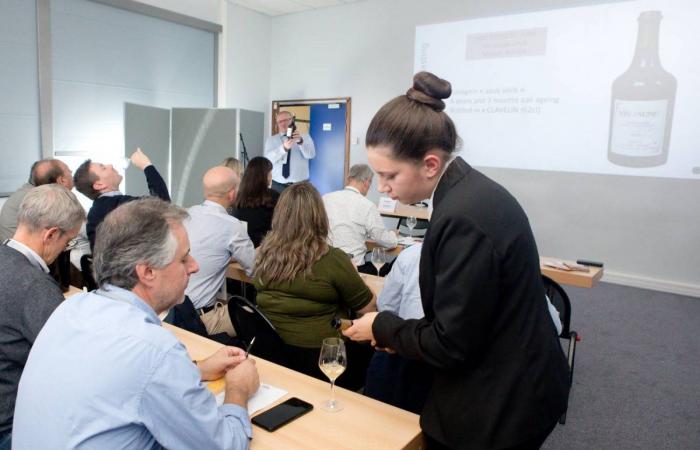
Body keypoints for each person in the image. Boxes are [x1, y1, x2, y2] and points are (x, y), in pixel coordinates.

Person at [343, 72, 570, 450]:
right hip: (514, 372)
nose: (382, 188)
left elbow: (452, 344)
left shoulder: (462, 217)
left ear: (430, 164)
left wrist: (383, 327)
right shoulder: (470, 193)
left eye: (389, 175)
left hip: (507, 396)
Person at [13, 198, 260, 450]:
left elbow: (119, 379)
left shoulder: (70, 309)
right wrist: (238, 390)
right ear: (148, 273)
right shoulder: (154, 349)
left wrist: (198, 370)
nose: (194, 266)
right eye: (184, 258)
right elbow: (224, 445)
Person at [253, 182, 375, 390]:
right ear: (319, 218)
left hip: (271, 351)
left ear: (279, 216)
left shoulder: (262, 254)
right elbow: (368, 308)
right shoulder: (332, 259)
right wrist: (355, 276)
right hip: (321, 358)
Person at [0, 185, 85, 450]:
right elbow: (74, 365)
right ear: (51, 234)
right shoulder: (35, 286)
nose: (65, 249)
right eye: (68, 241)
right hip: (14, 426)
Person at [184, 166, 255, 337]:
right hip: (200, 320)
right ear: (232, 194)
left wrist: (227, 258)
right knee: (254, 315)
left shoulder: (185, 214)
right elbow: (255, 271)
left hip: (172, 313)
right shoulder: (232, 226)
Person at [73, 148, 170, 249]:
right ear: (99, 184)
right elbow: (163, 205)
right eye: (103, 168)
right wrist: (146, 165)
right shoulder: (114, 206)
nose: (110, 165)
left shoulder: (103, 207)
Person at [323, 163, 398, 274]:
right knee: (392, 265)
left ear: (349, 179)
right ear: (366, 182)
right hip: (353, 268)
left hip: (326, 264)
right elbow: (385, 240)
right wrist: (393, 235)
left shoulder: (325, 198)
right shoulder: (367, 205)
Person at [0, 159, 74, 242]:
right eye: (68, 170)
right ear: (61, 180)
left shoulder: (28, 191)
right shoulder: (41, 199)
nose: (71, 171)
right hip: (23, 251)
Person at [231, 156, 279, 247]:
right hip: (265, 247)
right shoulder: (273, 196)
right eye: (269, 172)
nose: (271, 176)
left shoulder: (238, 196)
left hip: (241, 246)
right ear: (264, 175)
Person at [264, 110, 315, 193]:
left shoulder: (305, 137)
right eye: (280, 121)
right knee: (278, 206)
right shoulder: (271, 140)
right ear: (277, 124)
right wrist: (283, 149)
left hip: (300, 185)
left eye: (286, 120)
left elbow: (311, 155)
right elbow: (268, 160)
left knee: (300, 206)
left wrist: (300, 142)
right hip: (278, 185)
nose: (283, 123)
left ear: (292, 120)